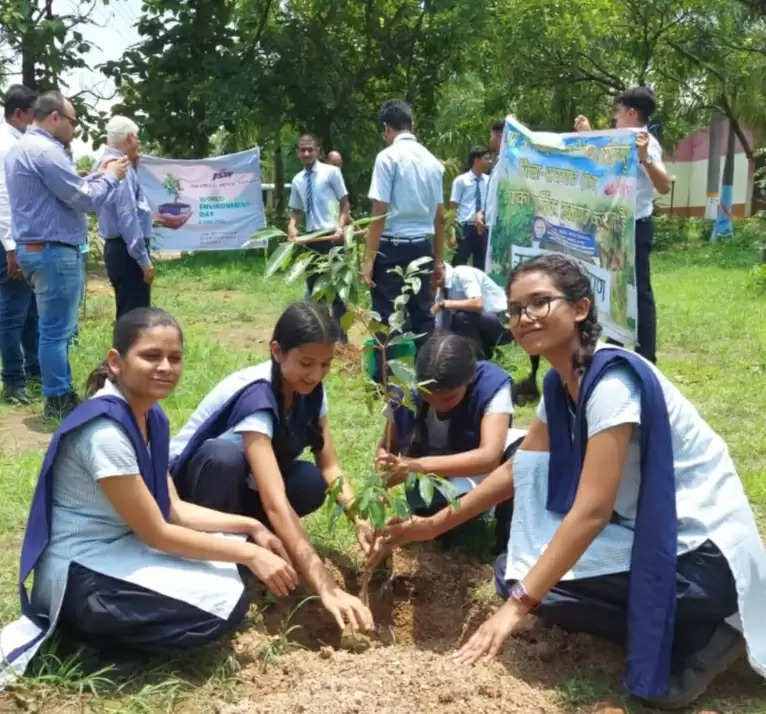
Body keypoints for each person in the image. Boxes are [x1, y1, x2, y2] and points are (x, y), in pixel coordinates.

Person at [382, 254, 766, 710]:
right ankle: (665, 625)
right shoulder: (560, 384)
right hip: (646, 533)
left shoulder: (610, 384)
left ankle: (707, 637)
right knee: (514, 572)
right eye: (515, 309)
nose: (524, 318)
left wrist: (514, 610)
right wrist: (430, 526)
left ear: (580, 308)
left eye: (540, 303)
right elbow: (516, 469)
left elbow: (592, 512)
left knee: (531, 590)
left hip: (701, 555)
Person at [0, 308, 299, 681]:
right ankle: (87, 637)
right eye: (151, 356)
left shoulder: (152, 418)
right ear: (116, 361)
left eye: (174, 358)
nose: (166, 367)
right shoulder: (105, 433)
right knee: (216, 611)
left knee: (231, 582)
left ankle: (110, 628)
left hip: (118, 552)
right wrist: (250, 551)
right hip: (79, 573)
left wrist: (251, 527)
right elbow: (156, 532)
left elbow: (172, 509)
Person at [170, 301, 374, 634]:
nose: (316, 374)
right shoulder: (257, 397)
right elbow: (275, 503)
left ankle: (251, 542)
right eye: (306, 363)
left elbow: (330, 465)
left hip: (244, 485)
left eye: (325, 364)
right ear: (277, 352)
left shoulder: (310, 391)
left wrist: (360, 519)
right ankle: (220, 558)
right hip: (191, 490)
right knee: (223, 456)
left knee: (309, 481)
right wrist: (326, 587)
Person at [4, 90, 129, 420]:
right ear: (54, 117)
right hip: (53, 252)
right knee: (56, 331)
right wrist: (112, 176)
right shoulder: (46, 152)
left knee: (49, 329)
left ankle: (54, 392)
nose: (75, 129)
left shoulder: (20, 149)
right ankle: (58, 398)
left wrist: (92, 178)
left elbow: (61, 192)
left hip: (36, 249)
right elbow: (84, 199)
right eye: (72, 122)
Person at [378, 332, 519, 553]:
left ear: (470, 379)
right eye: (428, 396)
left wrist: (415, 466)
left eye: (449, 397)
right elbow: (387, 446)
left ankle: (507, 546)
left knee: (521, 457)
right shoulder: (404, 391)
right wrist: (383, 474)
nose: (438, 405)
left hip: (480, 472)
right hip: (437, 480)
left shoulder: (492, 384)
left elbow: (489, 457)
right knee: (438, 515)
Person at [574, 87, 670, 363]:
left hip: (636, 228)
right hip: (615, 228)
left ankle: (647, 359)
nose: (615, 118)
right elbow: (603, 159)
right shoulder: (620, 139)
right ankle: (612, 346)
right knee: (612, 289)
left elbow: (663, 185)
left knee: (640, 295)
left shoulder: (644, 141)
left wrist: (644, 157)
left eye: (617, 112)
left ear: (631, 113)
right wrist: (586, 133)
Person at [364, 99, 445, 356]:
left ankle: (388, 385)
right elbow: (439, 216)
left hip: (391, 249)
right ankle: (431, 381)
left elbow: (379, 211)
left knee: (387, 318)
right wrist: (439, 261)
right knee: (423, 317)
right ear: (412, 124)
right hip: (423, 247)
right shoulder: (433, 162)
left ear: (386, 129)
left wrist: (368, 260)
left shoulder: (387, 158)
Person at [432, 261, 540, 403]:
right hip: (481, 327)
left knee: (462, 317)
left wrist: (444, 304)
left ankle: (478, 368)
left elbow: (478, 304)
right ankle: (474, 366)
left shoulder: (462, 273)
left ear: (438, 273)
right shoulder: (441, 293)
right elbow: (440, 328)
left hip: (503, 322)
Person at [0, 84, 39, 406]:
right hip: (8, 241)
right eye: (33, 114)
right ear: (20, 113)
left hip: (17, 239)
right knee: (13, 312)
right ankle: (13, 380)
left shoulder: (15, 142)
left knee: (28, 311)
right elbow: (3, 200)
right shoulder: (6, 145)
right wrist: (11, 246)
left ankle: (32, 371)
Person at [288, 135, 350, 331]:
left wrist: (340, 227)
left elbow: (344, 204)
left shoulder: (331, 173)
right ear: (298, 153)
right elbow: (295, 212)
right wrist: (292, 228)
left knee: (339, 290)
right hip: (313, 239)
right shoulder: (297, 180)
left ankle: (341, 338)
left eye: (310, 149)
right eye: (303, 150)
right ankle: (322, 335)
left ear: (317, 151)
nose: (306, 153)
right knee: (316, 290)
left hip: (333, 237)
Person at [98, 116, 154, 319]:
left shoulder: (105, 163)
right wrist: (143, 260)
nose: (139, 143)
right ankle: (128, 351)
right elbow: (127, 218)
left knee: (128, 312)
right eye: (137, 138)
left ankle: (125, 350)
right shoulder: (121, 168)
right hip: (128, 252)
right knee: (134, 317)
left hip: (119, 248)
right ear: (129, 138)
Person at [450, 145, 491, 268]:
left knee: (481, 264)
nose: (490, 162)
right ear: (477, 160)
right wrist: (452, 233)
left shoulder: (489, 181)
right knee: (459, 262)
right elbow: (453, 208)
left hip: (483, 227)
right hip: (465, 228)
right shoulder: (461, 181)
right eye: (486, 158)